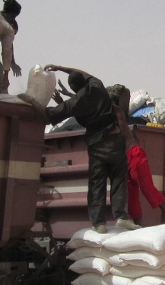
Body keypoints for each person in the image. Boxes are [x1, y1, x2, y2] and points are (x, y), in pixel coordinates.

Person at [26, 65, 139, 234]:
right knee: (118, 181)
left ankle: (98, 223)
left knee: (96, 184)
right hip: (115, 141)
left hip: (96, 146)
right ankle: (122, 217)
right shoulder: (97, 86)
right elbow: (83, 73)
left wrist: (30, 101)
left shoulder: (74, 103)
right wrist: (60, 67)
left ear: (72, 87)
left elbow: (47, 114)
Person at [111, 85, 165, 226]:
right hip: (124, 159)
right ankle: (138, 225)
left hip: (134, 154)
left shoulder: (118, 113)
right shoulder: (105, 118)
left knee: (147, 188)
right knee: (131, 194)